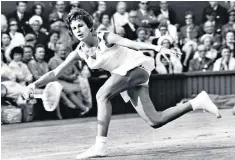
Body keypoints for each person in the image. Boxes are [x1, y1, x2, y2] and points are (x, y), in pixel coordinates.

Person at [23, 9, 221, 159]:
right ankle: (197, 102)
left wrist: (158, 47)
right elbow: (55, 72)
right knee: (155, 120)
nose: (78, 31)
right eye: (74, 28)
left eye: (81, 26)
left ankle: (100, 145)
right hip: (126, 75)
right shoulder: (79, 52)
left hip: (137, 67)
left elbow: (131, 43)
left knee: (101, 95)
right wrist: (33, 85)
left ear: (89, 26)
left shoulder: (104, 37)